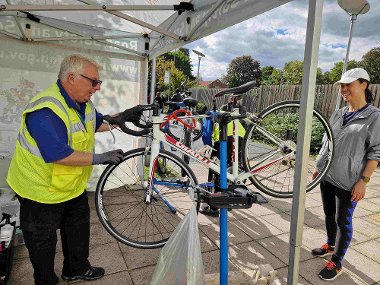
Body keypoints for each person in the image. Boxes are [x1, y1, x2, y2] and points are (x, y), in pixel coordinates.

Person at [6, 54, 125, 285]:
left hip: (71, 186)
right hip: (39, 191)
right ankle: (45, 280)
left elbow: (97, 122)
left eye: (98, 83)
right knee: (43, 241)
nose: (97, 88)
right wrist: (100, 157)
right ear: (71, 77)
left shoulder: (82, 103)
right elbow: (58, 154)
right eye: (93, 81)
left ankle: (76, 269)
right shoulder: (46, 111)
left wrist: (121, 118)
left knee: (77, 229)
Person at [312, 68, 380, 281]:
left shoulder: (374, 117)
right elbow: (327, 140)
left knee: (344, 221)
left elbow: (375, 152)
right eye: (342, 85)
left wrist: (363, 181)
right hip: (328, 175)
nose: (344, 89)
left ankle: (337, 262)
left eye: (349, 84)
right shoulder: (339, 112)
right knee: (328, 214)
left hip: (349, 181)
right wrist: (318, 165)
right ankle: (331, 244)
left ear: (363, 85)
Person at [200, 95, 246, 216]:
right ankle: (230, 197)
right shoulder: (238, 112)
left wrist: (208, 147)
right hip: (239, 138)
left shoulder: (218, 112)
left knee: (215, 167)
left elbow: (207, 133)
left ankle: (213, 206)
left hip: (225, 138)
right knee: (231, 168)